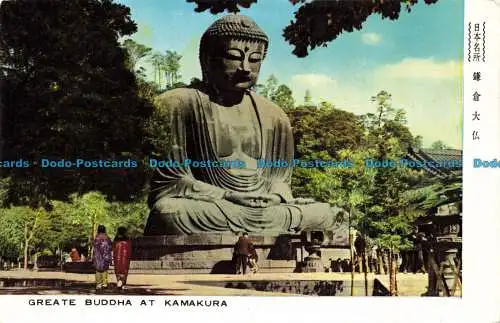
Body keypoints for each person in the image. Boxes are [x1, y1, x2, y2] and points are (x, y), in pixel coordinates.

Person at [143, 14, 348, 237]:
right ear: (207, 58)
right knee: (169, 212)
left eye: (255, 59)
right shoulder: (178, 104)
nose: (245, 68)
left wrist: (275, 197)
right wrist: (227, 196)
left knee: (326, 214)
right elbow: (169, 182)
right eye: (234, 57)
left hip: (266, 210)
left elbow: (279, 181)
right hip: (213, 206)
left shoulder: (275, 116)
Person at [92, 225, 112, 291]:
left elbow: (94, 248)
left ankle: (98, 284)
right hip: (105, 256)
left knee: (98, 270)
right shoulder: (107, 238)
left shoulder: (96, 238)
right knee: (105, 270)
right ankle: (104, 284)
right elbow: (110, 248)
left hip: (98, 257)